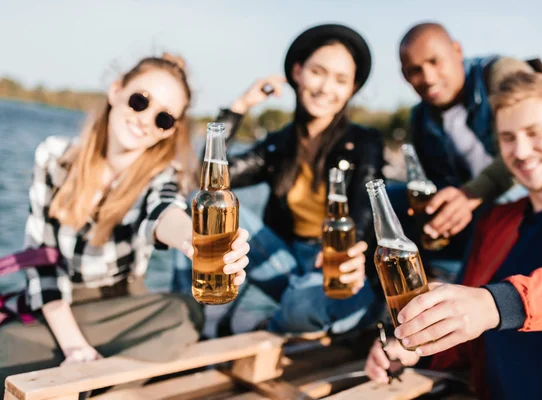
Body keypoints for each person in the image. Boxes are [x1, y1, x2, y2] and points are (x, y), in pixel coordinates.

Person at [0, 54, 250, 391]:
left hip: (122, 308)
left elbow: (162, 212)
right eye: (140, 101)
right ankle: (116, 384)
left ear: (170, 130)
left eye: (163, 117)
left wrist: (193, 239)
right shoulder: (54, 156)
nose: (146, 119)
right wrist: (75, 348)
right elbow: (42, 263)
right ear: (116, 91)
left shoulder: (163, 175)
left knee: (183, 311)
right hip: (59, 308)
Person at [365, 71, 542, 400]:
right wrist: (412, 347)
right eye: (507, 137)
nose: (520, 150)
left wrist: (495, 304)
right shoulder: (495, 222)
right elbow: (467, 334)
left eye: (534, 133)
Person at [205, 23, 386, 335]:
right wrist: (239, 108)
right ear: (298, 72)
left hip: (331, 262)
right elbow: (211, 180)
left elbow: (364, 212)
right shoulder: (279, 144)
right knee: (202, 206)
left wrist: (353, 248)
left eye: (341, 80)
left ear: (352, 88)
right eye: (318, 72)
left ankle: (269, 323)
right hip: (284, 261)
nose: (326, 88)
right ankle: (202, 312)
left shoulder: (365, 142)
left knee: (311, 307)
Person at [388, 22, 536, 280]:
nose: (428, 77)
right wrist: (435, 208)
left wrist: (470, 195)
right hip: (472, 208)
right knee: (389, 199)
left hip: (524, 196)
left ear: (457, 50)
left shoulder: (501, 74)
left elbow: (530, 148)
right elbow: (435, 181)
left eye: (435, 62)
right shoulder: (420, 117)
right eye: (415, 70)